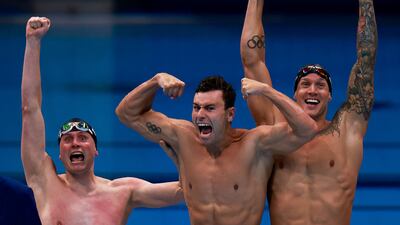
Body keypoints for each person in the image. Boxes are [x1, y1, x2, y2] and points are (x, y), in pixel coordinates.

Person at [21, 17, 183, 225]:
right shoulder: (44, 182)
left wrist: (181, 163)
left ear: (95, 150)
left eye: (82, 137)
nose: (75, 143)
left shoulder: (123, 191)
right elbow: (30, 109)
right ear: (60, 154)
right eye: (67, 140)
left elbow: (185, 191)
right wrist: (33, 42)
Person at [115, 72, 318, 225]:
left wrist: (267, 91)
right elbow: (126, 114)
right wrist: (155, 81)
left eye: (210, 108)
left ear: (230, 114)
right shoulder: (183, 137)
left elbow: (307, 129)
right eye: (196, 107)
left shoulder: (255, 145)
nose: (200, 115)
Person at [240, 0, 377, 224]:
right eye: (305, 84)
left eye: (320, 85)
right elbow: (252, 61)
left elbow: (366, 60)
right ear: (294, 94)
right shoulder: (276, 128)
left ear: (330, 96)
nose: (312, 90)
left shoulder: (347, 130)